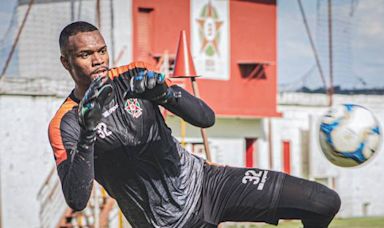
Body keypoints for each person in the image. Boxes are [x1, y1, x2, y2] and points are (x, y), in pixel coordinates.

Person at [48, 21, 341, 228]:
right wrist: (88, 132)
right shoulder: (66, 123)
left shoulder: (134, 75)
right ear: (66, 62)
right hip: (166, 223)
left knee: (323, 201)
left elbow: (205, 118)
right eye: (85, 55)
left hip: (209, 183)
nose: (98, 61)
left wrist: (164, 93)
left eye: (101, 50)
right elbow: (77, 199)